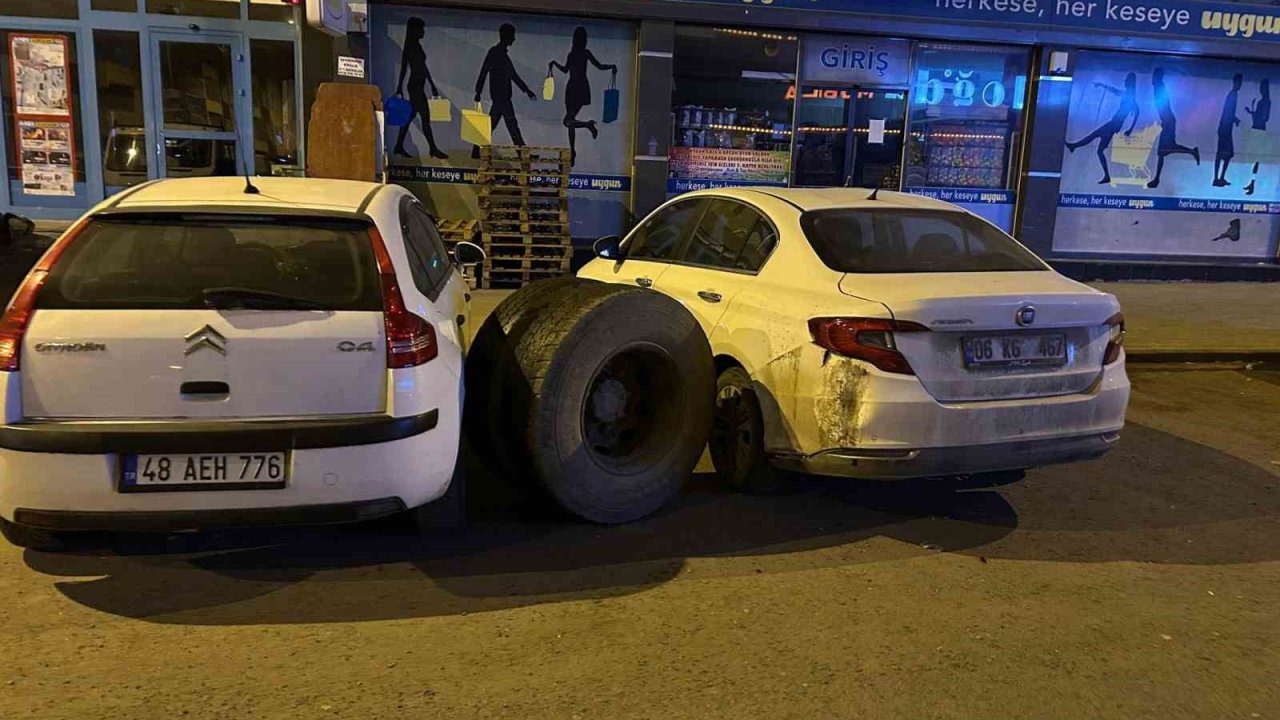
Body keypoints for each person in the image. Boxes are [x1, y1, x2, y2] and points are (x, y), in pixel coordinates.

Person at [549, 27, 618, 167]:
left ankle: (587, 125)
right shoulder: (581, 53)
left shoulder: (575, 53)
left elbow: (565, 70)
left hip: (575, 87)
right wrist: (612, 66)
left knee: (568, 122)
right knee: (570, 122)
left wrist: (555, 64)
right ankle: (572, 152)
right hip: (578, 87)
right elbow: (598, 66)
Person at [473, 23, 537, 159]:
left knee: (498, 125)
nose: (514, 39)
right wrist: (478, 92)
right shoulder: (495, 53)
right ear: (506, 36)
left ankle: (476, 150)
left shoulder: (500, 54)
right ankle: (522, 154)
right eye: (512, 35)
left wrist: (527, 91)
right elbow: (484, 72)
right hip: (501, 96)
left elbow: (512, 75)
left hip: (502, 96)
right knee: (511, 125)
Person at [1065, 73, 1139, 185]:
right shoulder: (1128, 95)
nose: (1124, 81)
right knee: (1100, 150)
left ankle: (1074, 146)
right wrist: (1102, 85)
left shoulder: (1129, 96)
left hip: (1114, 124)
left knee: (1094, 135)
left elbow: (1136, 111)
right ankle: (1107, 176)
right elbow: (1114, 91)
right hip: (1115, 124)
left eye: (1126, 80)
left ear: (1129, 82)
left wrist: (1130, 129)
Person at [392, 17, 448, 161]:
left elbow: (424, 68)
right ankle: (433, 148)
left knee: (410, 117)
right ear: (415, 30)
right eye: (421, 28)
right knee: (425, 117)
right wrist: (399, 87)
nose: (423, 31)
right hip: (415, 87)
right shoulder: (410, 46)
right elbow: (404, 68)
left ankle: (399, 145)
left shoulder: (417, 46)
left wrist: (432, 85)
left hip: (419, 86)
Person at [1148, 67, 1200, 189]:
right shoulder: (1158, 87)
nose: (1153, 78)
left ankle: (1156, 179)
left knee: (1164, 150)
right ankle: (1192, 151)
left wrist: (1165, 121)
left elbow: (1164, 105)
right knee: (1168, 148)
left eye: (1155, 76)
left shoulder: (1160, 87)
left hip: (1168, 121)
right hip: (1167, 121)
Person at [1214, 74, 1244, 188]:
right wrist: (1234, 120)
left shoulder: (1233, 95)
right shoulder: (1232, 95)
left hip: (1226, 128)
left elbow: (1229, 112)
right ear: (1235, 82)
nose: (1240, 85)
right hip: (1225, 129)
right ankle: (1217, 178)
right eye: (1239, 82)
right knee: (1223, 154)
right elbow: (1228, 112)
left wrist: (1235, 119)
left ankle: (1220, 178)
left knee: (1226, 154)